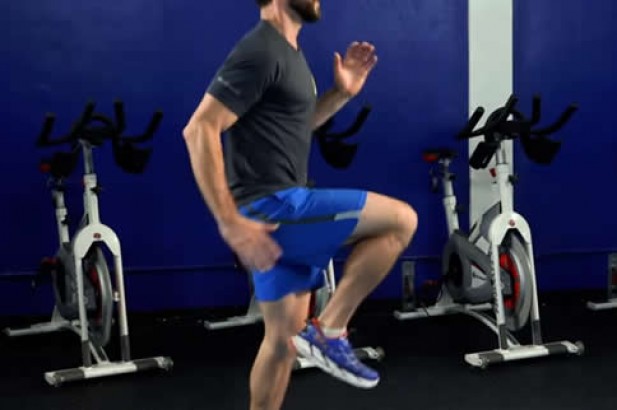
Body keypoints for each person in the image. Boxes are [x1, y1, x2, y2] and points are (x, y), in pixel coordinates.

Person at [183, 0, 418, 408]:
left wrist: (341, 94)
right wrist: (229, 221)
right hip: (277, 207)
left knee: (281, 343)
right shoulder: (261, 50)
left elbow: (293, 127)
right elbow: (200, 128)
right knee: (401, 221)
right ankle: (331, 330)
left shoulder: (287, 51)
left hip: (275, 206)